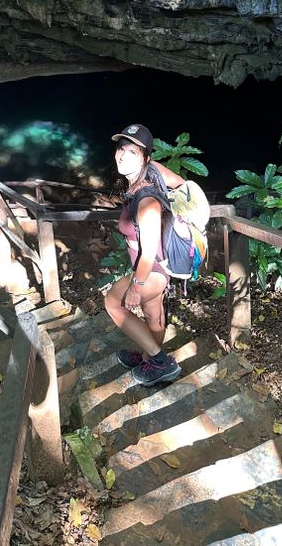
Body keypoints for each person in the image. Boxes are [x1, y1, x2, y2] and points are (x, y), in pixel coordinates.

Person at [104, 123, 185, 387]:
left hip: (152, 271)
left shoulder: (147, 200)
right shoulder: (148, 176)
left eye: (133, 151)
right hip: (158, 266)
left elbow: (148, 251)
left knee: (113, 303)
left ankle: (161, 362)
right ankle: (148, 357)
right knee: (153, 313)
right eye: (121, 148)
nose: (123, 155)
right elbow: (183, 185)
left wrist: (136, 288)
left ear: (146, 158)